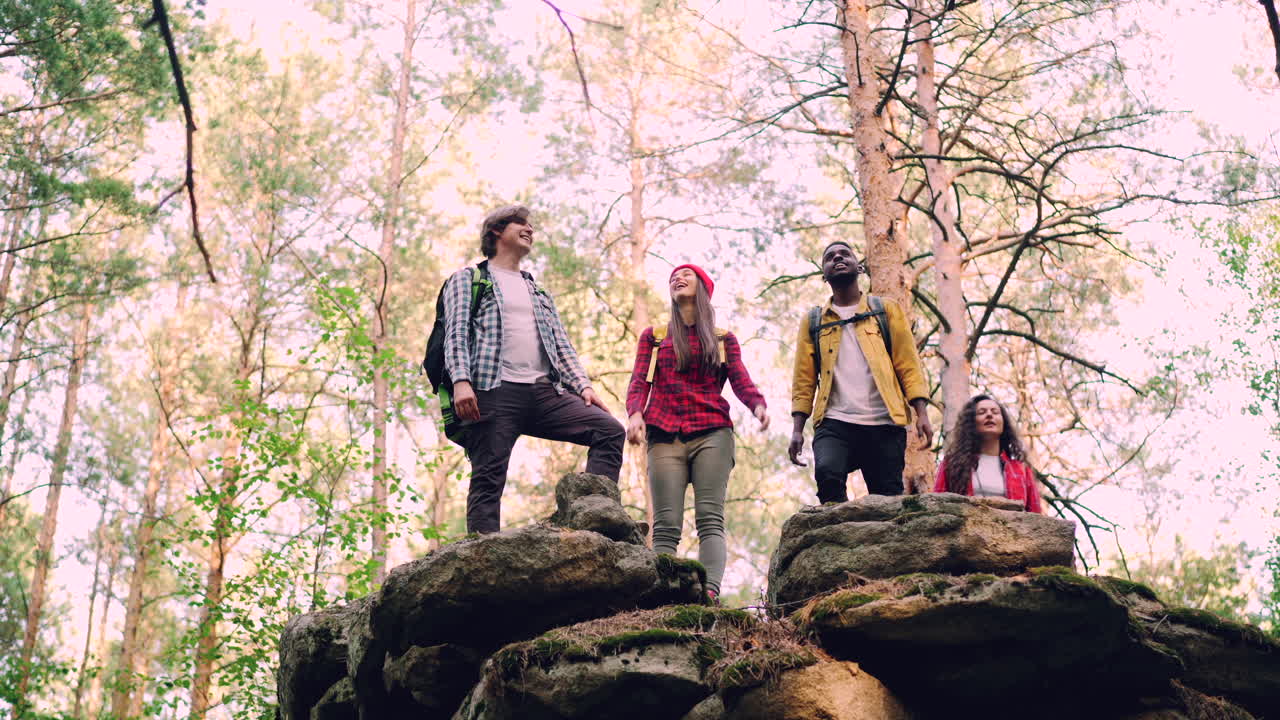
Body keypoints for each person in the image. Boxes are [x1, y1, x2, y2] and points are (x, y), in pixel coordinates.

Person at [443, 204, 625, 534]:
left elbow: (561, 344)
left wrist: (583, 386)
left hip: (544, 393)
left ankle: (598, 518)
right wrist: (461, 381)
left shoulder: (536, 289)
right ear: (497, 230)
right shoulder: (469, 280)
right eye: (521, 224)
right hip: (492, 392)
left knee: (609, 430)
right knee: (488, 479)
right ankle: (483, 560)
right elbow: (456, 332)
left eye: (531, 226)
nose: (530, 230)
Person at [625, 264, 768, 603]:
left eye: (686, 274)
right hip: (663, 433)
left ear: (703, 288)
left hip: (712, 433)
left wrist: (757, 405)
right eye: (674, 276)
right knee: (666, 524)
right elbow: (638, 381)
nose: (678, 277)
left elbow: (741, 380)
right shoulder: (655, 337)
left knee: (709, 518)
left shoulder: (722, 339)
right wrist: (634, 414)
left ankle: (711, 594)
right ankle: (665, 596)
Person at [788, 240, 933, 502]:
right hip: (835, 421)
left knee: (888, 499)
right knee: (827, 474)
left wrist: (921, 412)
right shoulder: (814, 321)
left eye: (845, 254)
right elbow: (804, 378)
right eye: (830, 257)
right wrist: (797, 429)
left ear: (860, 267)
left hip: (884, 422)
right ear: (824, 274)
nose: (838, 258)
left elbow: (908, 364)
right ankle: (838, 539)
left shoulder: (885, 310)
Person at [933, 394, 1043, 513]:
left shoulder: (1021, 470)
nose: (989, 415)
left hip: (1011, 530)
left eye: (995, 412)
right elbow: (937, 506)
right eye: (981, 412)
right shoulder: (951, 464)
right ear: (971, 423)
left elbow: (1036, 516)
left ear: (1004, 423)